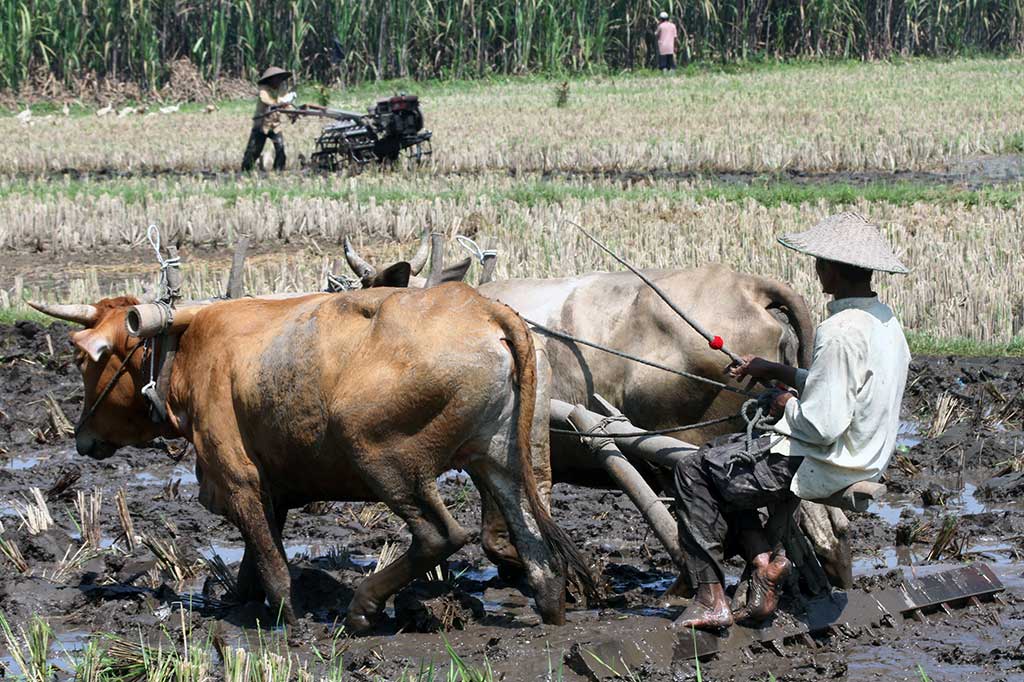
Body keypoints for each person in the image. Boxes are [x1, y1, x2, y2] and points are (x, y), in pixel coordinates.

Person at [671, 212, 911, 631]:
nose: (816, 270)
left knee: (693, 470)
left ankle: (711, 598)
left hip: (827, 458)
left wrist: (784, 402)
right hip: (865, 453)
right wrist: (780, 372)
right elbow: (842, 384)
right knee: (717, 457)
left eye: (820, 263)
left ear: (832, 269)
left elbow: (821, 424)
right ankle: (764, 563)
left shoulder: (839, 331)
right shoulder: (885, 322)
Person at [242, 66, 296, 172]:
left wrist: (292, 115)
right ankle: (246, 170)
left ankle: (278, 170)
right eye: (276, 78)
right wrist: (278, 104)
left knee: (280, 148)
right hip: (261, 124)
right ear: (271, 79)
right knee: (254, 150)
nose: (278, 81)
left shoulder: (281, 90)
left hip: (275, 125)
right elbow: (266, 100)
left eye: (280, 79)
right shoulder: (264, 89)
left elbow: (286, 104)